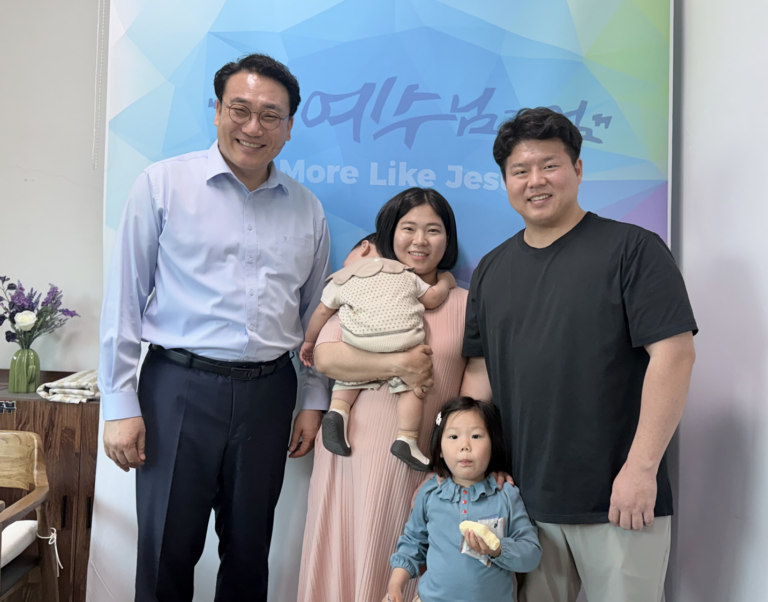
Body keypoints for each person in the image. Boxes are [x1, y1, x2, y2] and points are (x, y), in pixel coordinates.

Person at [98, 53, 331, 602]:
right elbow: (124, 300)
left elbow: (315, 320)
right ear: (218, 111)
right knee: (167, 550)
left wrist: (313, 400)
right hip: (177, 388)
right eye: (240, 109)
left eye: (270, 116)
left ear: (289, 128)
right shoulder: (162, 185)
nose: (253, 127)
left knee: (250, 553)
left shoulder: (308, 209)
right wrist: (120, 404)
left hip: (270, 393)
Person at [463, 107, 698, 602]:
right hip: (523, 504)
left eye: (549, 165)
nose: (535, 181)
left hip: (618, 498)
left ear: (577, 169)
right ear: (505, 181)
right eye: (520, 171)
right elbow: (480, 377)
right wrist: (476, 474)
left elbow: (675, 356)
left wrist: (641, 470)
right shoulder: (490, 270)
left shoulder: (633, 249)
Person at [297, 187, 492, 602]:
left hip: (425, 459)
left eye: (433, 230)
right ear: (390, 233)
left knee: (410, 562)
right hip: (352, 450)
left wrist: (460, 458)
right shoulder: (364, 283)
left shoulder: (467, 303)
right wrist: (400, 364)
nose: (420, 240)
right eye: (409, 228)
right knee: (347, 552)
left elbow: (475, 391)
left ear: (448, 240)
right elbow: (327, 357)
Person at [300, 253, 457, 470]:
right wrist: (446, 281)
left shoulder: (341, 280)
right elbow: (432, 298)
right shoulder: (403, 273)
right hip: (403, 341)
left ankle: (337, 411)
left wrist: (309, 341)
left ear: (364, 249)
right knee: (411, 388)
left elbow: (321, 311)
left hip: (361, 343)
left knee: (348, 377)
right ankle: (407, 439)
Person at [384, 396, 542, 602]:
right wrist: (395, 586)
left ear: (493, 444)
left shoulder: (506, 494)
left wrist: (497, 549)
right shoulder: (430, 493)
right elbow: (412, 544)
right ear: (440, 449)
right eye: (453, 437)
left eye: (476, 436)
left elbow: (531, 554)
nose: (465, 445)